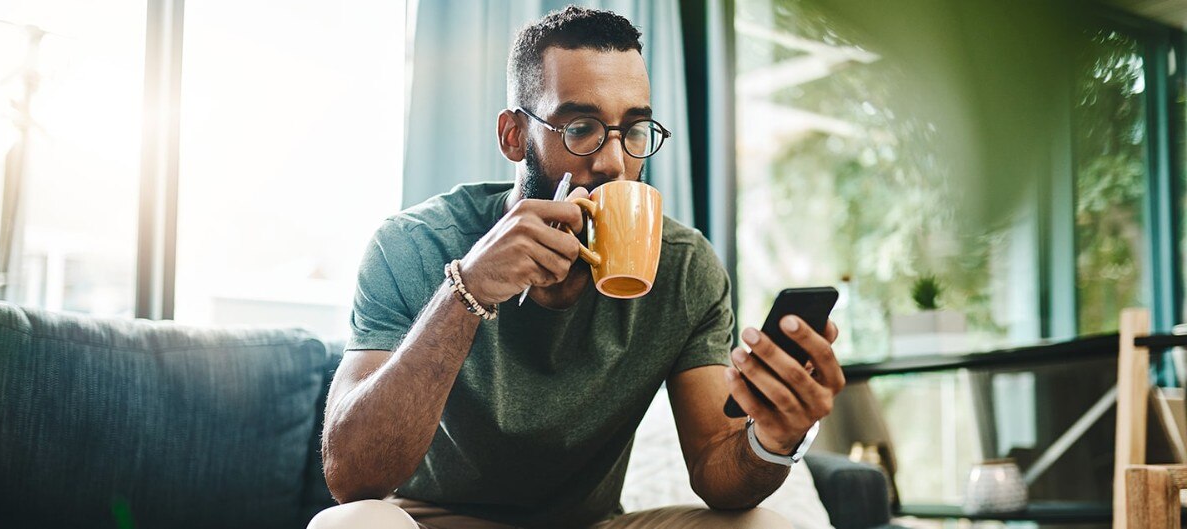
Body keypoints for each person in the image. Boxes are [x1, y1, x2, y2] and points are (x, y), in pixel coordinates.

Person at [310, 6, 844, 529]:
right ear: (514, 136)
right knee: (352, 525)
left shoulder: (684, 267)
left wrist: (773, 438)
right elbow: (351, 479)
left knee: (768, 525)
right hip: (437, 521)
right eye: (582, 127)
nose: (613, 162)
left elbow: (714, 469)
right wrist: (466, 291)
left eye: (634, 130)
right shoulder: (413, 244)